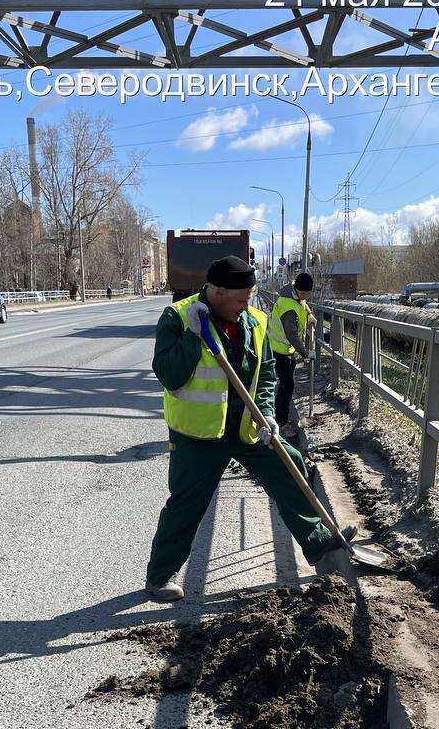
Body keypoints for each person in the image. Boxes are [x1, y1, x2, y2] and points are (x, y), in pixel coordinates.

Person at [145, 255, 354, 602]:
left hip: (248, 426)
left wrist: (269, 414)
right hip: (200, 434)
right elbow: (169, 375)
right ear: (219, 292)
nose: (246, 307)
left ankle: (318, 544)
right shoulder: (179, 319)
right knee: (186, 505)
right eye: (241, 300)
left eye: (249, 300)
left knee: (290, 467)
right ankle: (160, 576)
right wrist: (192, 339)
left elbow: (267, 375)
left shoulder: (255, 321)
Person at [268, 271, 314, 440]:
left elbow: (302, 305)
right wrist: (306, 353)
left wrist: (309, 315)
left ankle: (280, 417)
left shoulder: (295, 297)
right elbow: (292, 334)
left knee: (285, 386)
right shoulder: (288, 306)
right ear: (296, 289)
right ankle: (281, 421)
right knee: (287, 385)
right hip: (280, 351)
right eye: (303, 293)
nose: (305, 297)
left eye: (308, 294)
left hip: (287, 351)